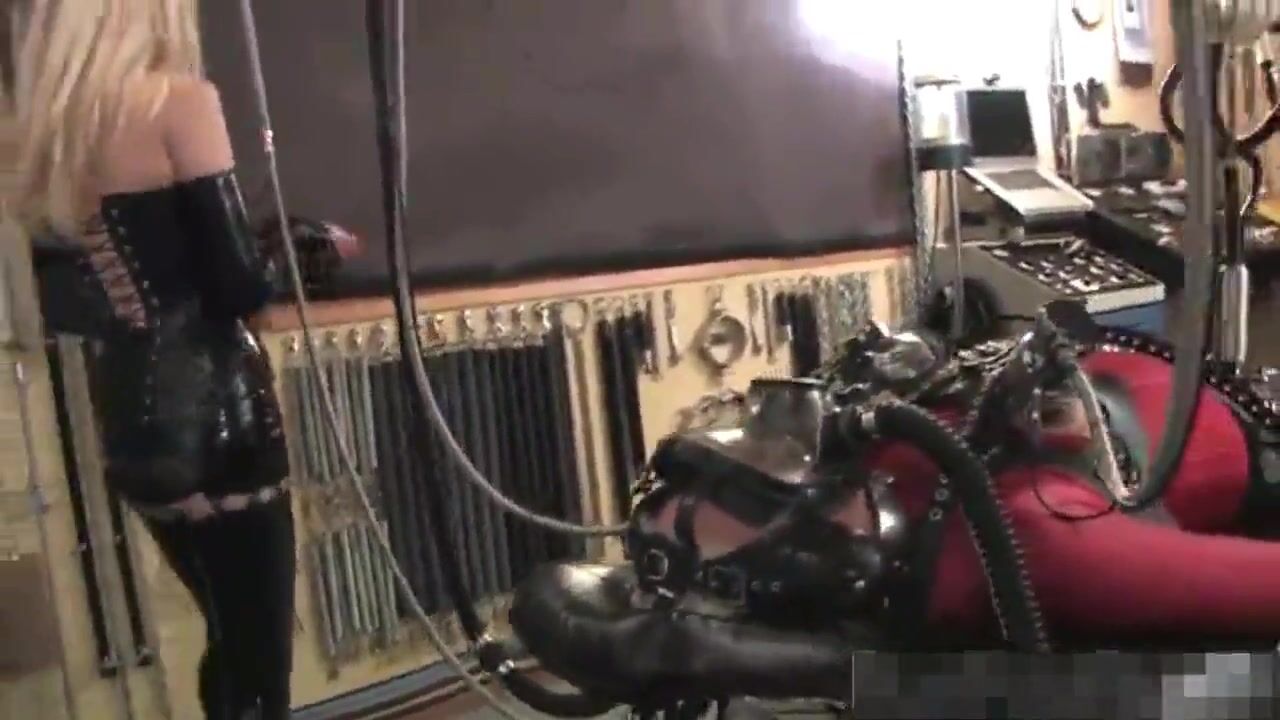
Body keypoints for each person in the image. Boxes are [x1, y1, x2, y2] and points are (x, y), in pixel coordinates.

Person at [14, 1, 296, 717]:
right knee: (261, 660)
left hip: (130, 420)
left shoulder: (44, 130)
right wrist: (293, 252)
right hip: (219, 414)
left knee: (226, 640)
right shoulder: (180, 102)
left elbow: (68, 300)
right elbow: (235, 286)